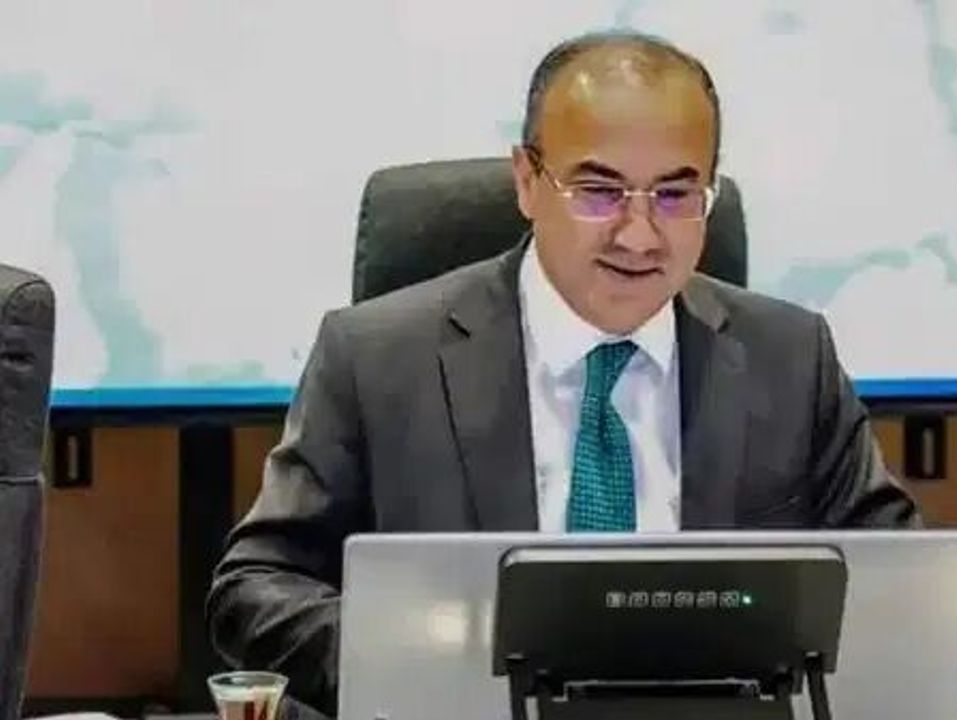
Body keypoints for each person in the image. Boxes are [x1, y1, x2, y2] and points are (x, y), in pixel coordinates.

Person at [207, 30, 919, 716]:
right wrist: (425, 667)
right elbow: (256, 587)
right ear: (527, 181)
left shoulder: (790, 357)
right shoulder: (377, 358)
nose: (639, 235)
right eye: (599, 192)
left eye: (676, 195)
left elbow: (904, 585)